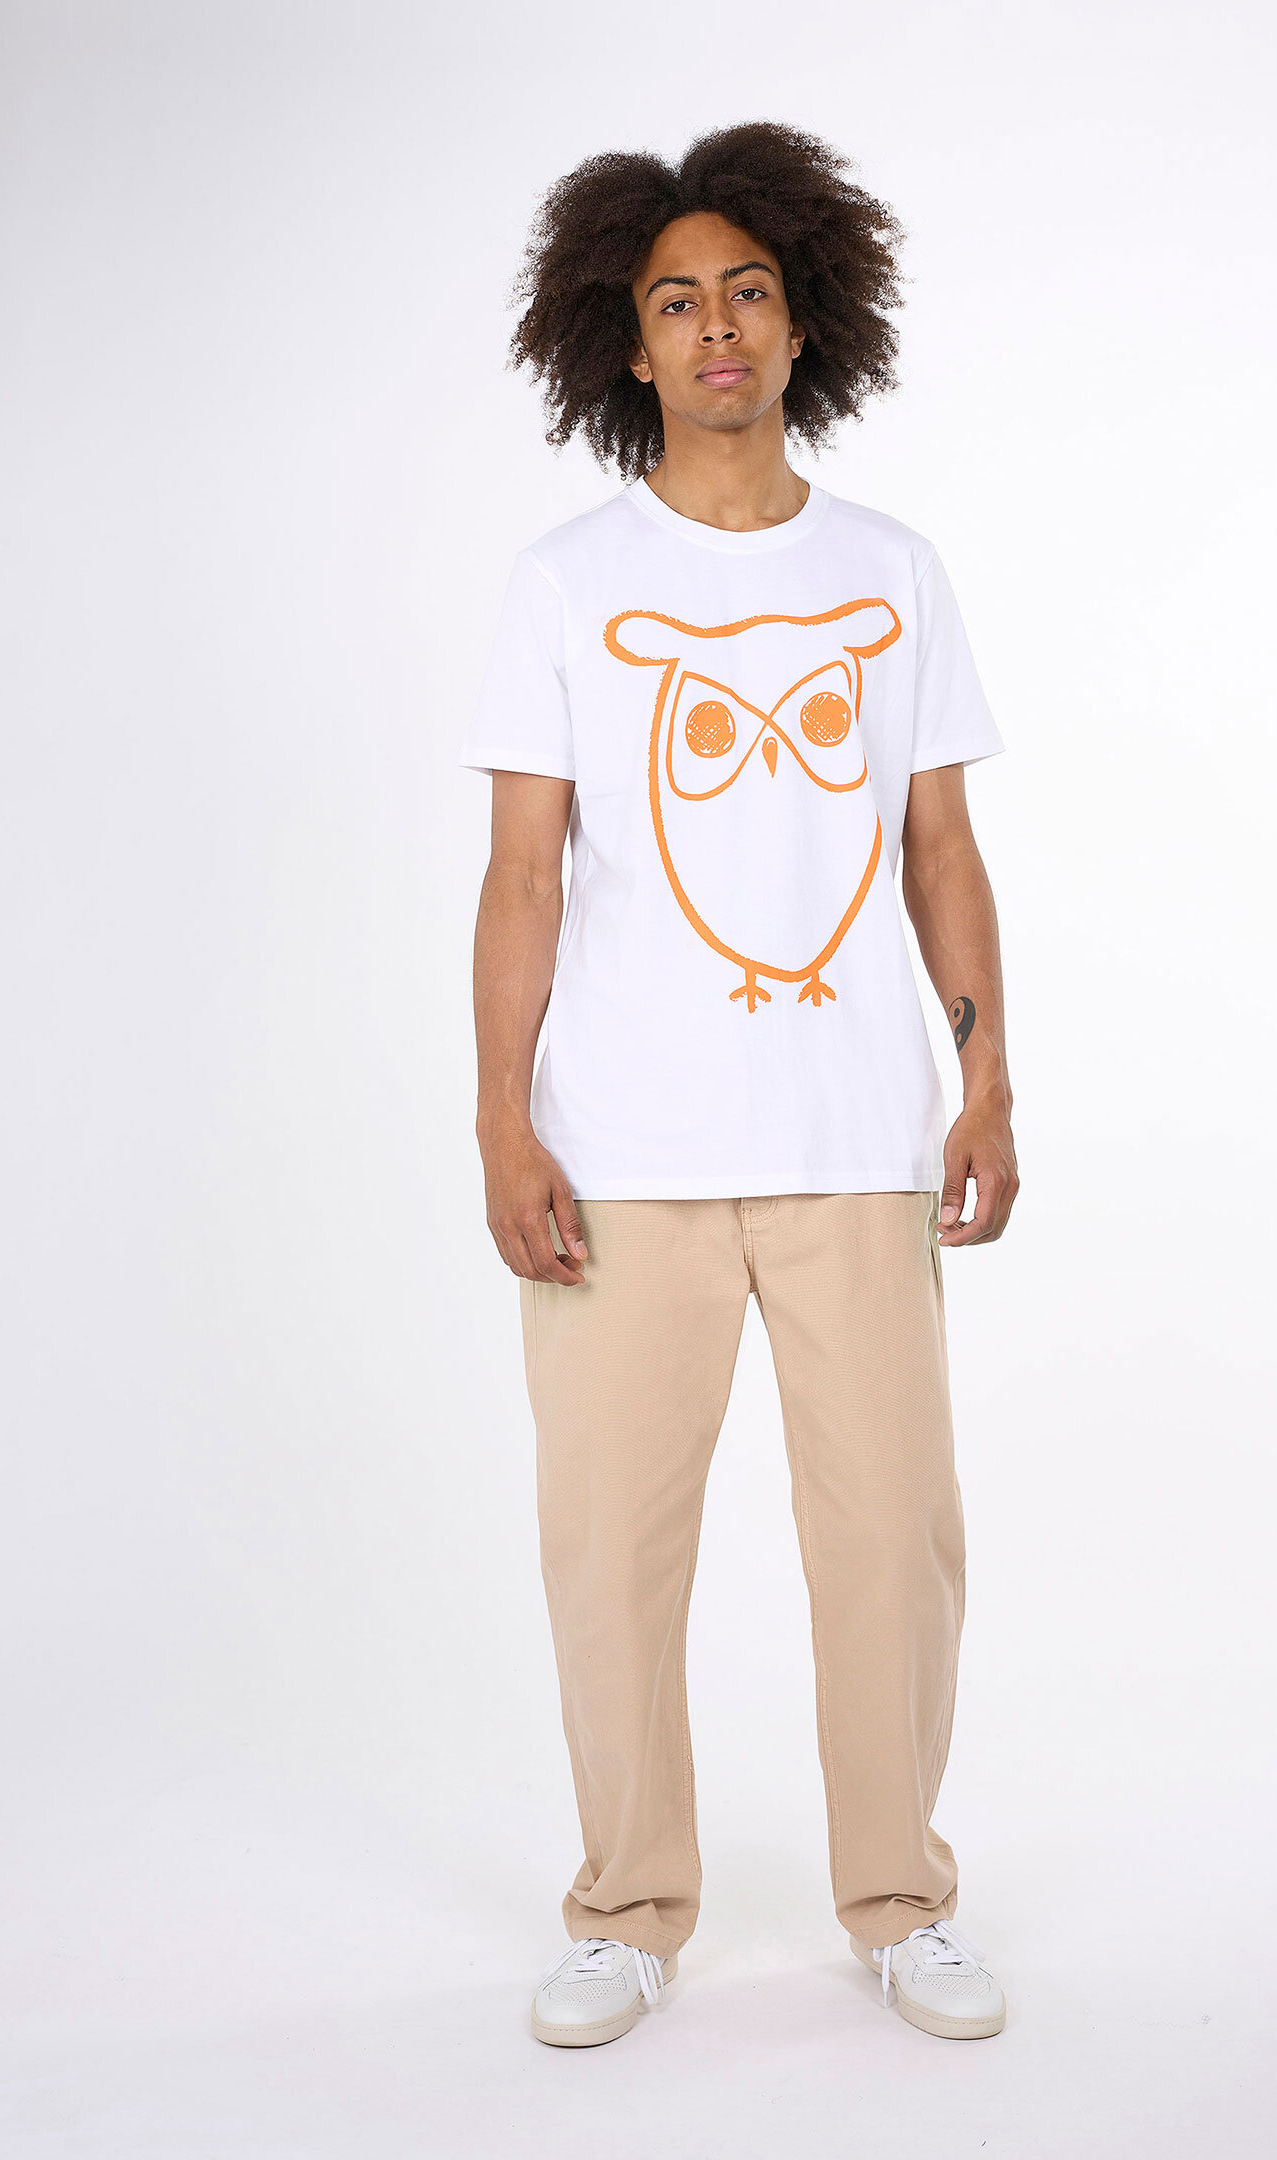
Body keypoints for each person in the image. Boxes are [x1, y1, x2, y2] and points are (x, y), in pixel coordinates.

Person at [461, 122, 1019, 2048]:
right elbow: (523, 876)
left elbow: (942, 847)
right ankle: (626, 1907)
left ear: (803, 323)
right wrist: (501, 1120)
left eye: (750, 293)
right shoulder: (566, 584)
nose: (717, 328)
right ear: (626, 343)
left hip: (857, 1137)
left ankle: (902, 1900)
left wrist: (986, 1081)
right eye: (678, 301)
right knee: (611, 1552)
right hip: (620, 1154)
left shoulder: (892, 573)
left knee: (895, 1542)